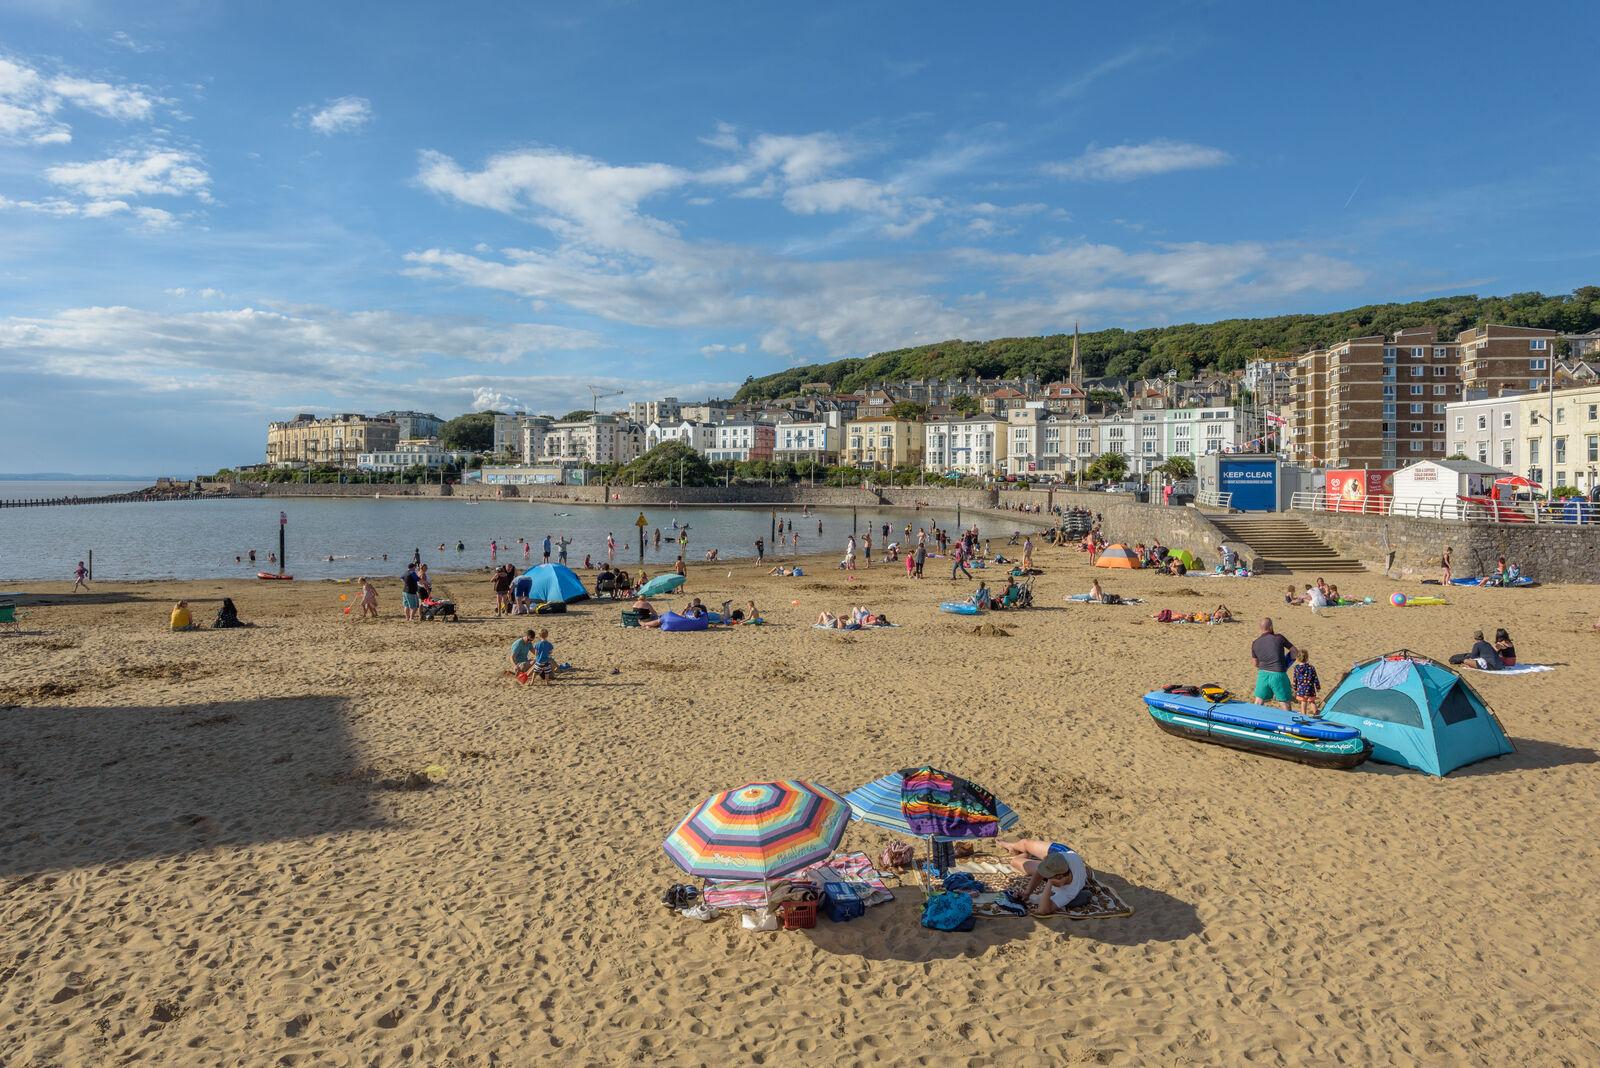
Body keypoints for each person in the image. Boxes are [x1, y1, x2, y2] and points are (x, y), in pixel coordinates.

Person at [997, 839, 1092, 914]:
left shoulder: (1070, 891)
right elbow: (1040, 871)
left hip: (1061, 863)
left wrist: (1049, 883)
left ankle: (1025, 854)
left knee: (1015, 862)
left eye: (1049, 876)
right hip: (1062, 853)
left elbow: (1043, 910)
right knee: (1025, 843)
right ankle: (1011, 846)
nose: (1046, 877)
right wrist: (1028, 892)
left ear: (1061, 877)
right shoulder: (1061, 859)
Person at [1250, 618, 1297, 711]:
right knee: (1285, 704)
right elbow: (1295, 651)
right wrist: (1286, 663)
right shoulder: (1279, 637)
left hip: (1263, 674)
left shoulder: (1255, 643)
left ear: (1260, 628)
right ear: (1271, 627)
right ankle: (1289, 724)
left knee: (1258, 702)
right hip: (1278, 674)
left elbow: (1255, 663)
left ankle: (1252, 723)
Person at [1292, 648, 1321, 716]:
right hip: (1310, 688)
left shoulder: (1296, 668)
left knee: (1303, 701)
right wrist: (1318, 687)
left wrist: (1295, 687)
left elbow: (1295, 679)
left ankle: (1303, 714)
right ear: (1307, 658)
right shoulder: (1311, 668)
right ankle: (1316, 714)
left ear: (1298, 658)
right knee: (1311, 701)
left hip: (1301, 689)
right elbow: (1315, 678)